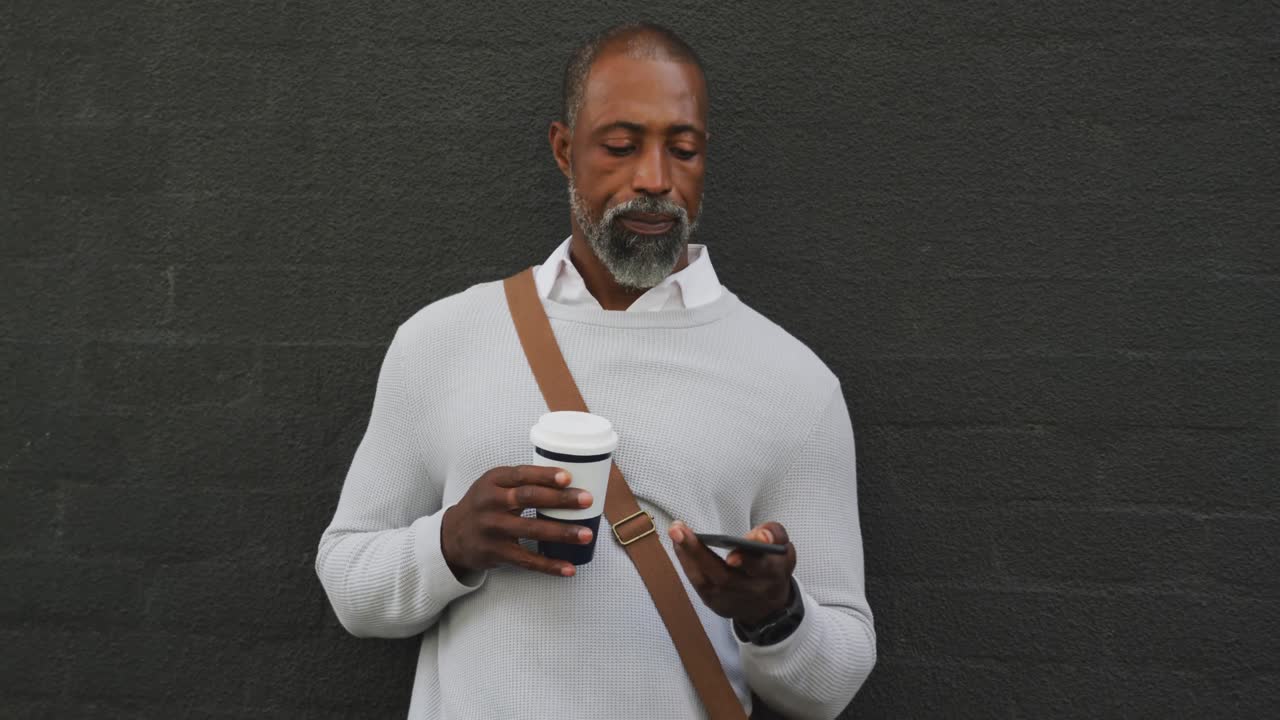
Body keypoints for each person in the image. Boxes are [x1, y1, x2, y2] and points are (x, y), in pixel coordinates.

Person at [315, 21, 875, 720]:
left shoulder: (794, 383)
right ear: (562, 149)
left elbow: (838, 677)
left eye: (684, 149)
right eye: (620, 145)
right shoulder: (443, 340)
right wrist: (450, 544)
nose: (654, 179)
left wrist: (774, 615)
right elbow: (347, 582)